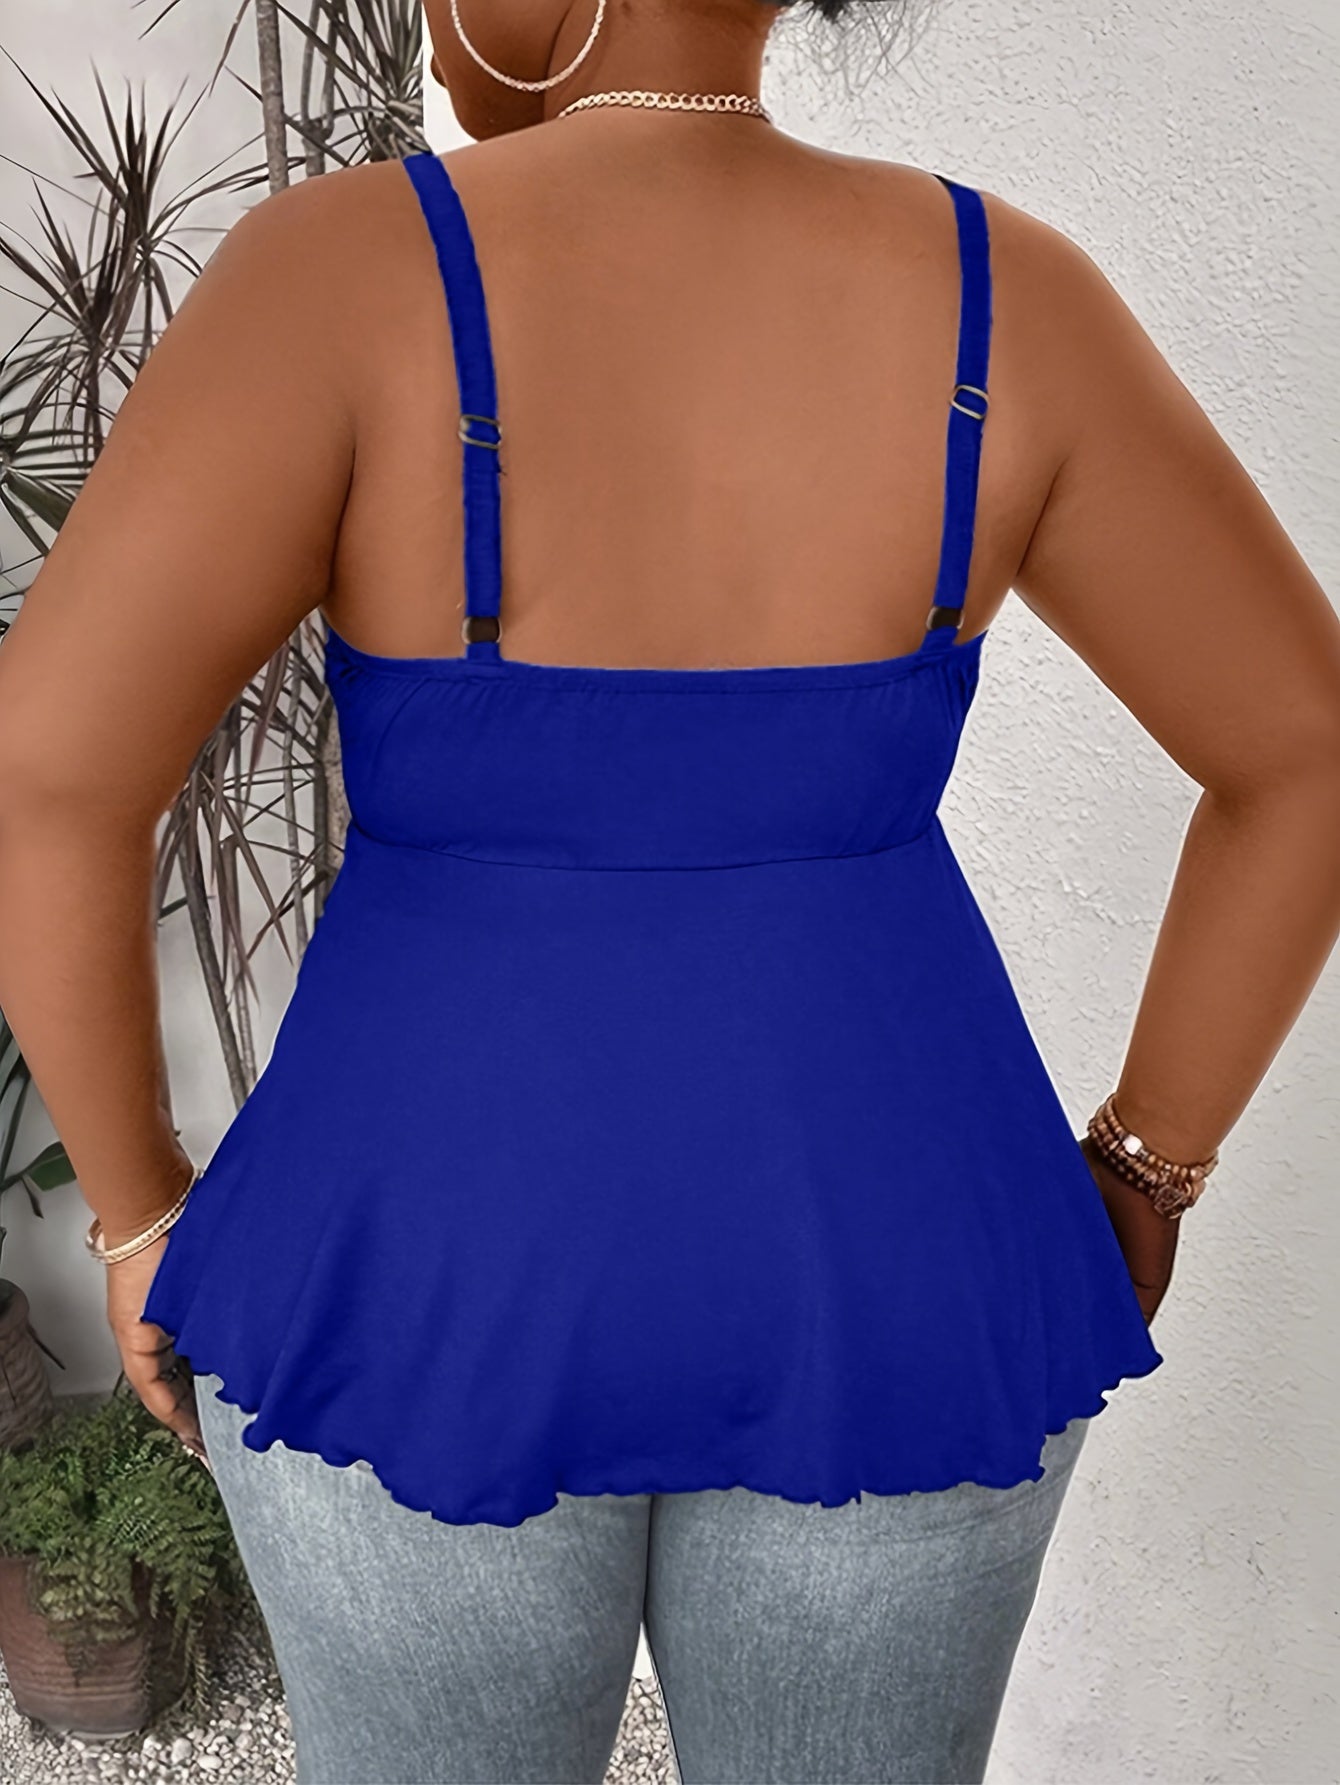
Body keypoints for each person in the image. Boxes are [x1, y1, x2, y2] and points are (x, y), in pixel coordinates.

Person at [0, 1, 1337, 1780]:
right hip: (909, 1258)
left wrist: (137, 1212)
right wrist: (1147, 1164)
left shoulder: (338, 272)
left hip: (416, 1262)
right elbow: (1306, 751)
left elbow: (46, 775)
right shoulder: (1011, 294)